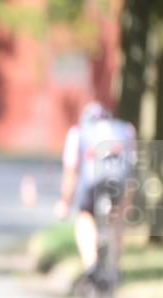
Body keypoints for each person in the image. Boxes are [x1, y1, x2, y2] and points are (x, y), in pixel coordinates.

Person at [54, 101, 137, 282]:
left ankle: (90, 263)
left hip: (92, 182)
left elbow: (71, 171)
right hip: (119, 181)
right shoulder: (125, 130)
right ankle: (116, 264)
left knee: (85, 217)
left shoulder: (78, 132)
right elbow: (131, 168)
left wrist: (65, 202)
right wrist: (127, 204)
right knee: (117, 220)